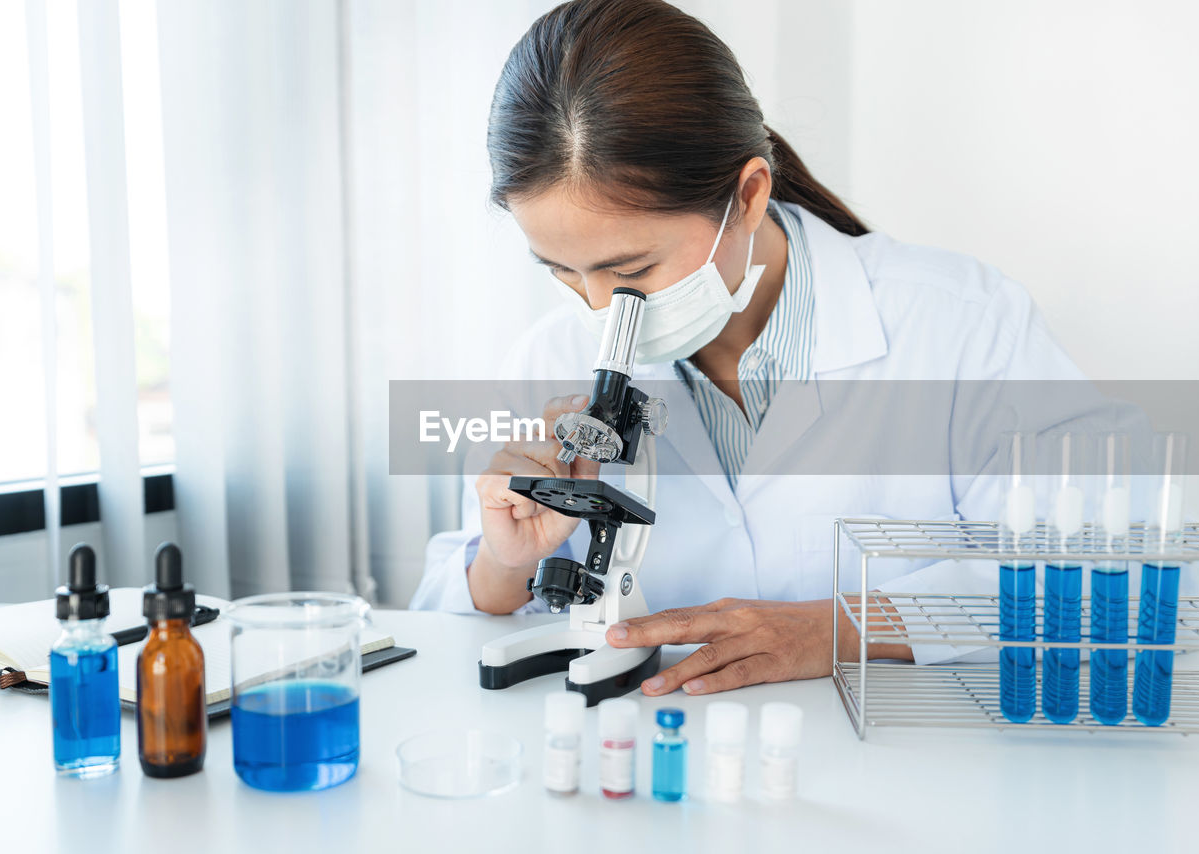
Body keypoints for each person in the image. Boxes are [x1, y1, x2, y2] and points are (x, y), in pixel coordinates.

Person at [410, 0, 1101, 696]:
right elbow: (441, 620)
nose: (597, 309)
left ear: (746, 196)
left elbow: (1114, 571)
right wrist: (504, 562)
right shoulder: (547, 358)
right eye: (560, 270)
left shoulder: (960, 324)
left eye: (631, 272)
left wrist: (844, 627)